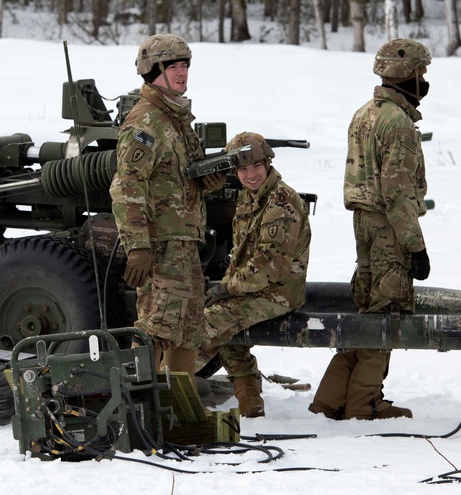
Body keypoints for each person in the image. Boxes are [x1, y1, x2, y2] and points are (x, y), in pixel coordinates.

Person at [309, 38, 432, 421]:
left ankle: (330, 400)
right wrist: (415, 247)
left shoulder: (364, 113)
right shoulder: (398, 123)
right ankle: (364, 405)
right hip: (388, 227)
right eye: (421, 73)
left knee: (366, 310)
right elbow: (396, 192)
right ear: (406, 75)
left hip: (363, 221)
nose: (424, 81)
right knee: (385, 315)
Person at [110, 33, 226, 384]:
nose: (182, 73)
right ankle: (136, 405)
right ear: (152, 71)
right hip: (160, 243)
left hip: (184, 240)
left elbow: (182, 174)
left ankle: (180, 408)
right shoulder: (146, 122)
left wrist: (208, 178)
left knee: (188, 326)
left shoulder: (177, 119)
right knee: (156, 324)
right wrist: (138, 246)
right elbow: (127, 187)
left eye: (185, 65)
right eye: (173, 67)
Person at [197, 132, 311, 418]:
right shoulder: (250, 198)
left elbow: (268, 267)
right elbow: (241, 255)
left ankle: (166, 388)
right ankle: (251, 402)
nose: (250, 175)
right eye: (243, 169)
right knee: (223, 326)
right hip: (256, 287)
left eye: (256, 167)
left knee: (208, 324)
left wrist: (228, 289)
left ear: (268, 164)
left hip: (279, 292)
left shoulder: (281, 203)